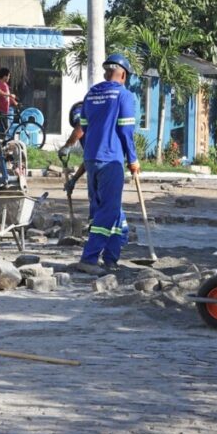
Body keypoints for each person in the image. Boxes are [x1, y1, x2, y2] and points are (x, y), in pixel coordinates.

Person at [74, 54, 140, 274]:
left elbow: (83, 128)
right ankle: (89, 258)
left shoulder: (91, 94)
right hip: (111, 159)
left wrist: (92, 151)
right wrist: (133, 159)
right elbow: (126, 130)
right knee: (108, 212)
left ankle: (111, 258)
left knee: (111, 210)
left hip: (92, 159)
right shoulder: (124, 95)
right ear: (122, 73)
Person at [0, 68, 18, 134]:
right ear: (4, 76)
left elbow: (8, 97)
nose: (9, 77)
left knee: (5, 128)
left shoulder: (5, 85)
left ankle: (1, 142)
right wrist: (9, 94)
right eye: (8, 76)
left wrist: (16, 103)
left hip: (4, 111)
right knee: (3, 129)